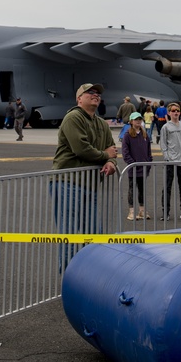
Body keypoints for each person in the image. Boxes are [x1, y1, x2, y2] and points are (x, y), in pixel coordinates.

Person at [51, 83, 118, 268]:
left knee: (94, 233)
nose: (95, 95)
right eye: (90, 93)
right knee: (70, 235)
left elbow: (112, 150)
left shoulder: (101, 123)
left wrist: (111, 163)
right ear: (79, 98)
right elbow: (81, 149)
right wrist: (106, 156)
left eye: (98, 93)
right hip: (67, 183)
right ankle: (67, 280)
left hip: (89, 185)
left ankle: (89, 278)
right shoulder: (73, 117)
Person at [156, 102, 181, 220]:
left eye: (177, 110)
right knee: (167, 187)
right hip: (171, 162)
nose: (175, 112)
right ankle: (166, 212)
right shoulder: (166, 127)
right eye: (173, 110)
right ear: (169, 113)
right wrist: (167, 157)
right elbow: (163, 144)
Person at [120, 112, 152, 221]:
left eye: (139, 119)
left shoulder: (144, 134)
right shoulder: (127, 135)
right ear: (131, 121)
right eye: (136, 119)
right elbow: (125, 152)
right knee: (132, 189)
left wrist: (148, 162)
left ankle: (142, 210)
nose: (138, 121)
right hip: (133, 168)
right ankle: (131, 211)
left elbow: (148, 150)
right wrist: (132, 163)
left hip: (143, 167)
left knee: (142, 189)